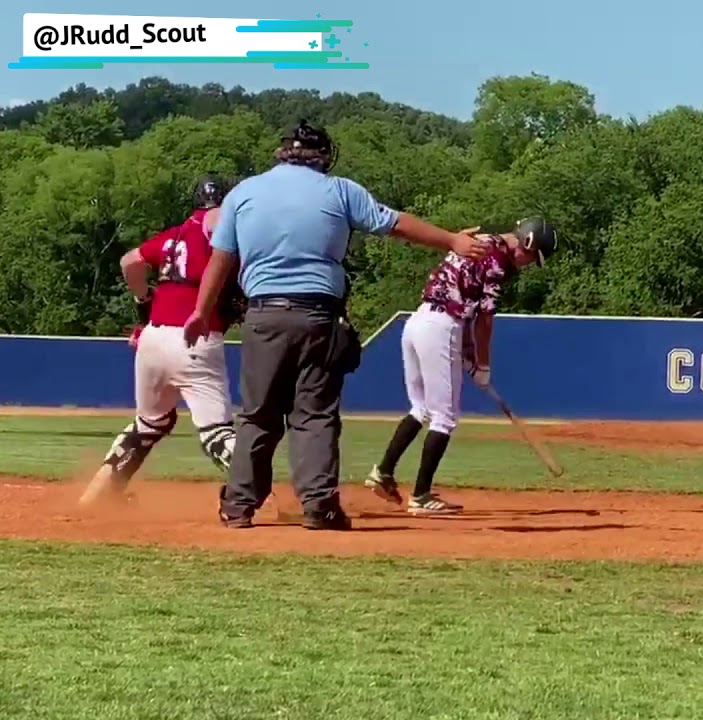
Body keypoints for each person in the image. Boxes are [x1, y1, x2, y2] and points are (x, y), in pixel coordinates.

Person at [183, 119, 487, 531]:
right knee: (315, 415)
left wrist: (202, 311)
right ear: (322, 156)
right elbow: (394, 223)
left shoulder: (243, 193)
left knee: (258, 415)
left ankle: (239, 506)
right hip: (318, 316)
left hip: (263, 315)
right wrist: (452, 240)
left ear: (282, 152)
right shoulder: (339, 190)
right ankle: (319, 507)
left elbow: (222, 259)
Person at [365, 218, 559, 515]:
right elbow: (484, 318)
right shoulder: (497, 261)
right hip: (442, 327)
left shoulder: (481, 243)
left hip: (418, 322)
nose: (528, 264)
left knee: (421, 409)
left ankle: (384, 472)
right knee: (444, 417)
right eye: (532, 258)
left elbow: (463, 296)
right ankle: (421, 496)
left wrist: (467, 348)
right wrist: (483, 363)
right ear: (526, 245)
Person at [79, 176, 245, 507]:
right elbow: (213, 222)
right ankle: (255, 491)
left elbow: (130, 261)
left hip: (152, 339)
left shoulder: (175, 236)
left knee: (150, 423)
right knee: (216, 432)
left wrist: (143, 298)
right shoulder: (217, 224)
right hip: (194, 338)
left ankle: (97, 494)